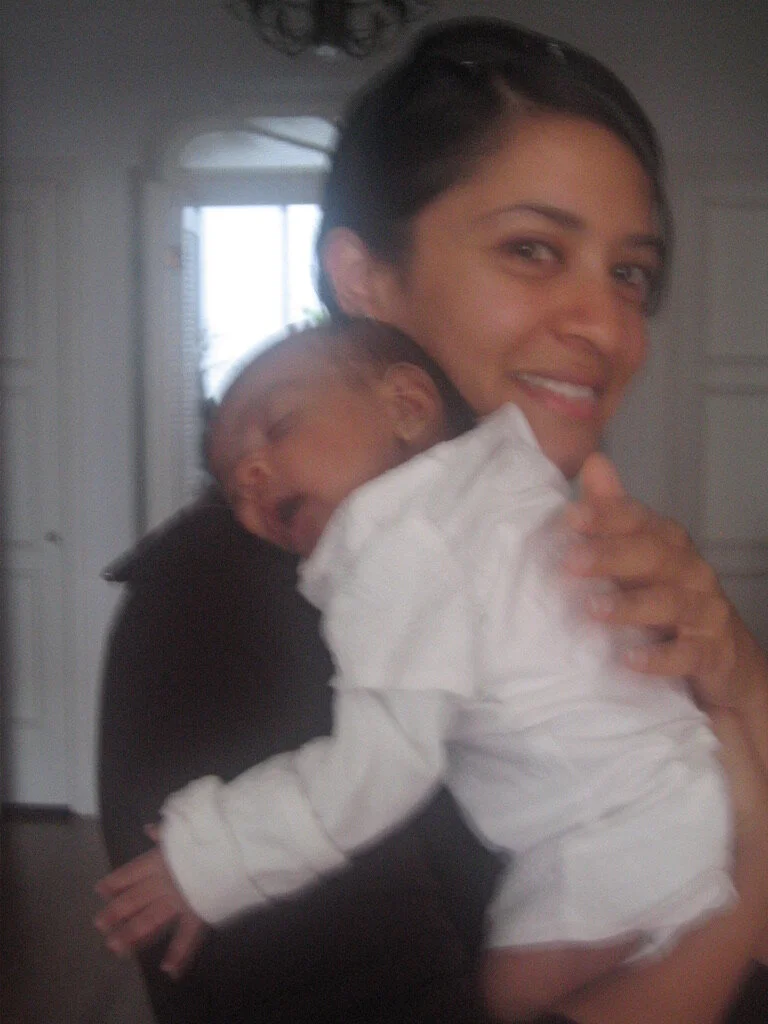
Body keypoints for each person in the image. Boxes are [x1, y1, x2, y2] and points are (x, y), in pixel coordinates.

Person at [97, 16, 768, 1024]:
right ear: (366, 281)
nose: (609, 326)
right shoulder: (227, 595)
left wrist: (736, 676)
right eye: (533, 249)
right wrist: (748, 892)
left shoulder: (543, 531)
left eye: (630, 273)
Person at [96, 316, 736, 1020]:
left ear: (406, 406)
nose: (250, 477)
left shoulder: (401, 545)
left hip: (615, 830)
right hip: (673, 793)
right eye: (232, 488)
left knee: (512, 998)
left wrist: (214, 859)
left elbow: (381, 766)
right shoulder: (492, 486)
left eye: (278, 428)